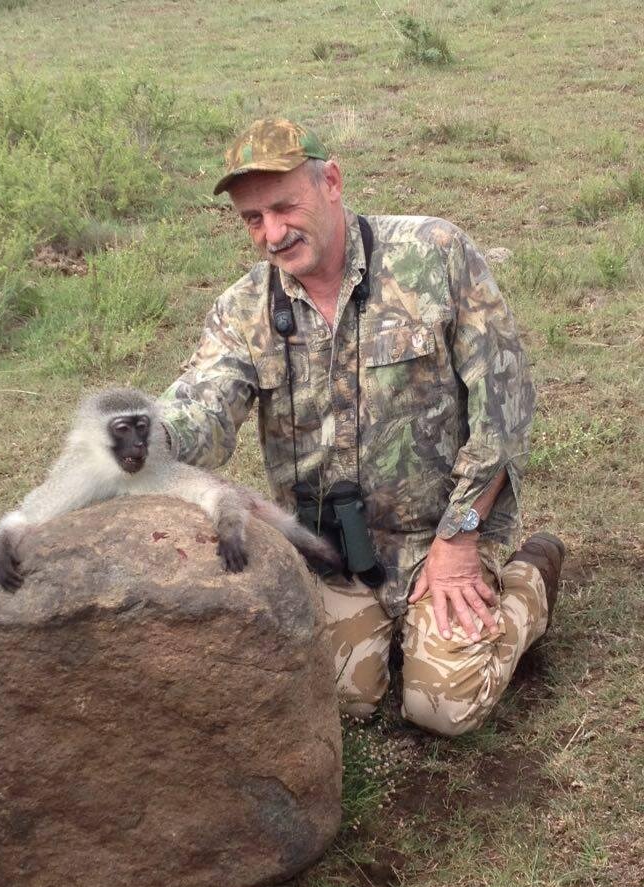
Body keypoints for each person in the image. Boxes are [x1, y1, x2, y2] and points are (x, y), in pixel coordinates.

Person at [158, 118, 566, 736]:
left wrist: (458, 541)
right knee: (347, 697)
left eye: (284, 207)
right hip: (334, 554)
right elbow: (204, 408)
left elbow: (503, 411)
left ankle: (530, 579)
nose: (272, 234)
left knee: (443, 707)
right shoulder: (241, 311)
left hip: (444, 530)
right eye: (252, 219)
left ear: (332, 182)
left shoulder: (435, 255)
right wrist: (145, 438)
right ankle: (401, 631)